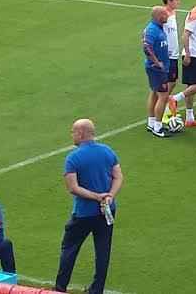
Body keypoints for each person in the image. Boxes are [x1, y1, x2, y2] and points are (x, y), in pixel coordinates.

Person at [55, 119, 123, 294]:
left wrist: (97, 197)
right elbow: (118, 177)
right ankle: (97, 289)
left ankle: (60, 288)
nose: (72, 135)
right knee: (103, 250)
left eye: (73, 132)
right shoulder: (108, 151)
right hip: (107, 210)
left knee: (69, 248)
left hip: (84, 213)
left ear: (81, 133)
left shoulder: (73, 158)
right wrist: (109, 196)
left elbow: (73, 188)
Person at [142, 6, 173, 138]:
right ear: (159, 16)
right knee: (163, 96)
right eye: (165, 14)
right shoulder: (152, 30)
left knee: (154, 93)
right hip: (157, 69)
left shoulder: (157, 28)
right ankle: (158, 127)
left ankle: (151, 122)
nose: (167, 16)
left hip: (159, 68)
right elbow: (146, 47)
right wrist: (156, 62)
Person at [161, 0, 181, 93]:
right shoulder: (163, 15)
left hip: (174, 53)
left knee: (172, 81)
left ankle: (164, 102)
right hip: (167, 54)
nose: (179, 2)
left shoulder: (173, 13)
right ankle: (163, 104)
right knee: (170, 81)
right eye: (176, 0)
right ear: (169, 1)